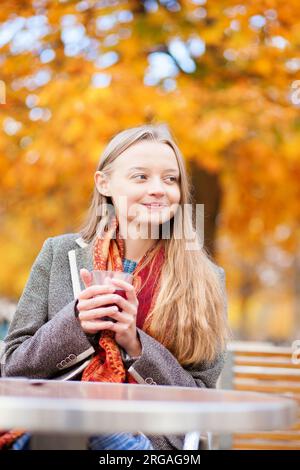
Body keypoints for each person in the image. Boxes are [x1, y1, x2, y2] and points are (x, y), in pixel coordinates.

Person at [1, 123, 230, 450]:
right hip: (53, 430)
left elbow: (202, 399)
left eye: (170, 179)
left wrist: (135, 344)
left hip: (150, 442)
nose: (158, 189)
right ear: (104, 183)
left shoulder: (207, 279)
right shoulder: (59, 254)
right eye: (141, 177)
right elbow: (12, 369)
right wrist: (76, 323)